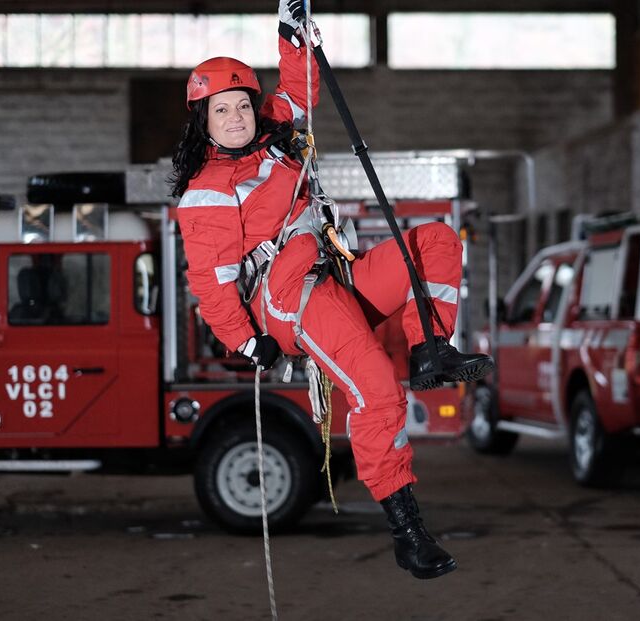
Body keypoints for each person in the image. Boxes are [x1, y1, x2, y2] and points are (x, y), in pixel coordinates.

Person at [170, 0, 494, 580]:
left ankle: (429, 350)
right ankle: (408, 532)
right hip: (289, 298)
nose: (239, 116)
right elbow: (211, 284)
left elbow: (298, 87)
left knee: (437, 243)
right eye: (224, 110)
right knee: (378, 393)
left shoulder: (274, 136)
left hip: (334, 274)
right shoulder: (208, 193)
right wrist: (246, 343)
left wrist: (292, 33)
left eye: (243, 105)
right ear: (204, 120)